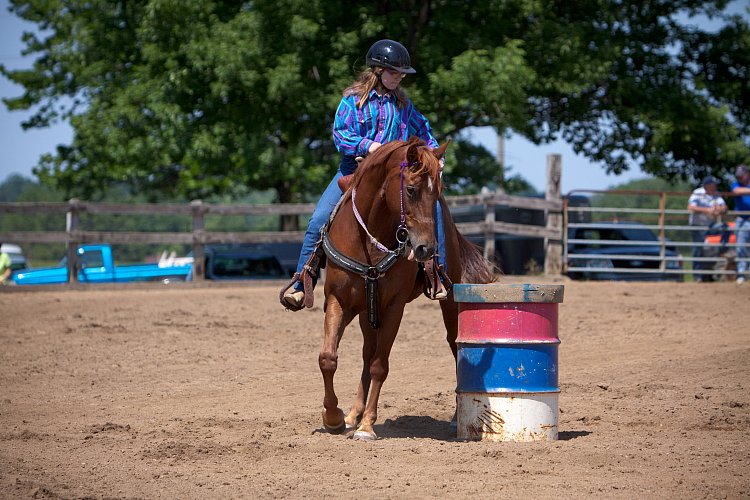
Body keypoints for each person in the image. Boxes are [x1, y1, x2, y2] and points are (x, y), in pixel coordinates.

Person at [282, 39, 444, 310]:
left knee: (432, 208)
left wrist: (437, 158)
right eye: (394, 72)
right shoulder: (352, 100)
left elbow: (425, 131)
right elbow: (341, 134)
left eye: (402, 74)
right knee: (319, 218)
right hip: (353, 171)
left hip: (394, 176)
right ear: (378, 70)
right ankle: (301, 280)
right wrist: (369, 146)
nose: (399, 78)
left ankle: (436, 272)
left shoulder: (403, 105)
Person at [687, 176, 727, 282]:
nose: (715, 186)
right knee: (698, 250)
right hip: (698, 225)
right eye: (713, 184)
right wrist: (707, 210)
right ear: (707, 185)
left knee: (725, 228)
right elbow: (691, 207)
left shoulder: (716, 194)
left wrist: (720, 209)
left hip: (710, 225)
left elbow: (724, 207)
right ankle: (698, 276)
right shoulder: (698, 193)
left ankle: (723, 250)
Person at [731, 164, 750, 285]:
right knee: (741, 247)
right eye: (738, 177)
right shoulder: (735, 185)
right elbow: (736, 191)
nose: (739, 179)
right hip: (742, 218)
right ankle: (742, 273)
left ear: (747, 174)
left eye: (741, 176)